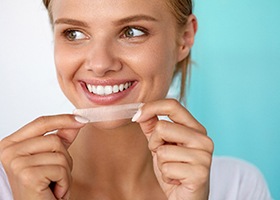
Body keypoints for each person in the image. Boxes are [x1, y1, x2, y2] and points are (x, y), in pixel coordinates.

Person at [0, 0, 272, 199]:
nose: (100, 63)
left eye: (132, 32)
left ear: (185, 38)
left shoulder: (239, 186)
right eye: (74, 33)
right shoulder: (8, 185)